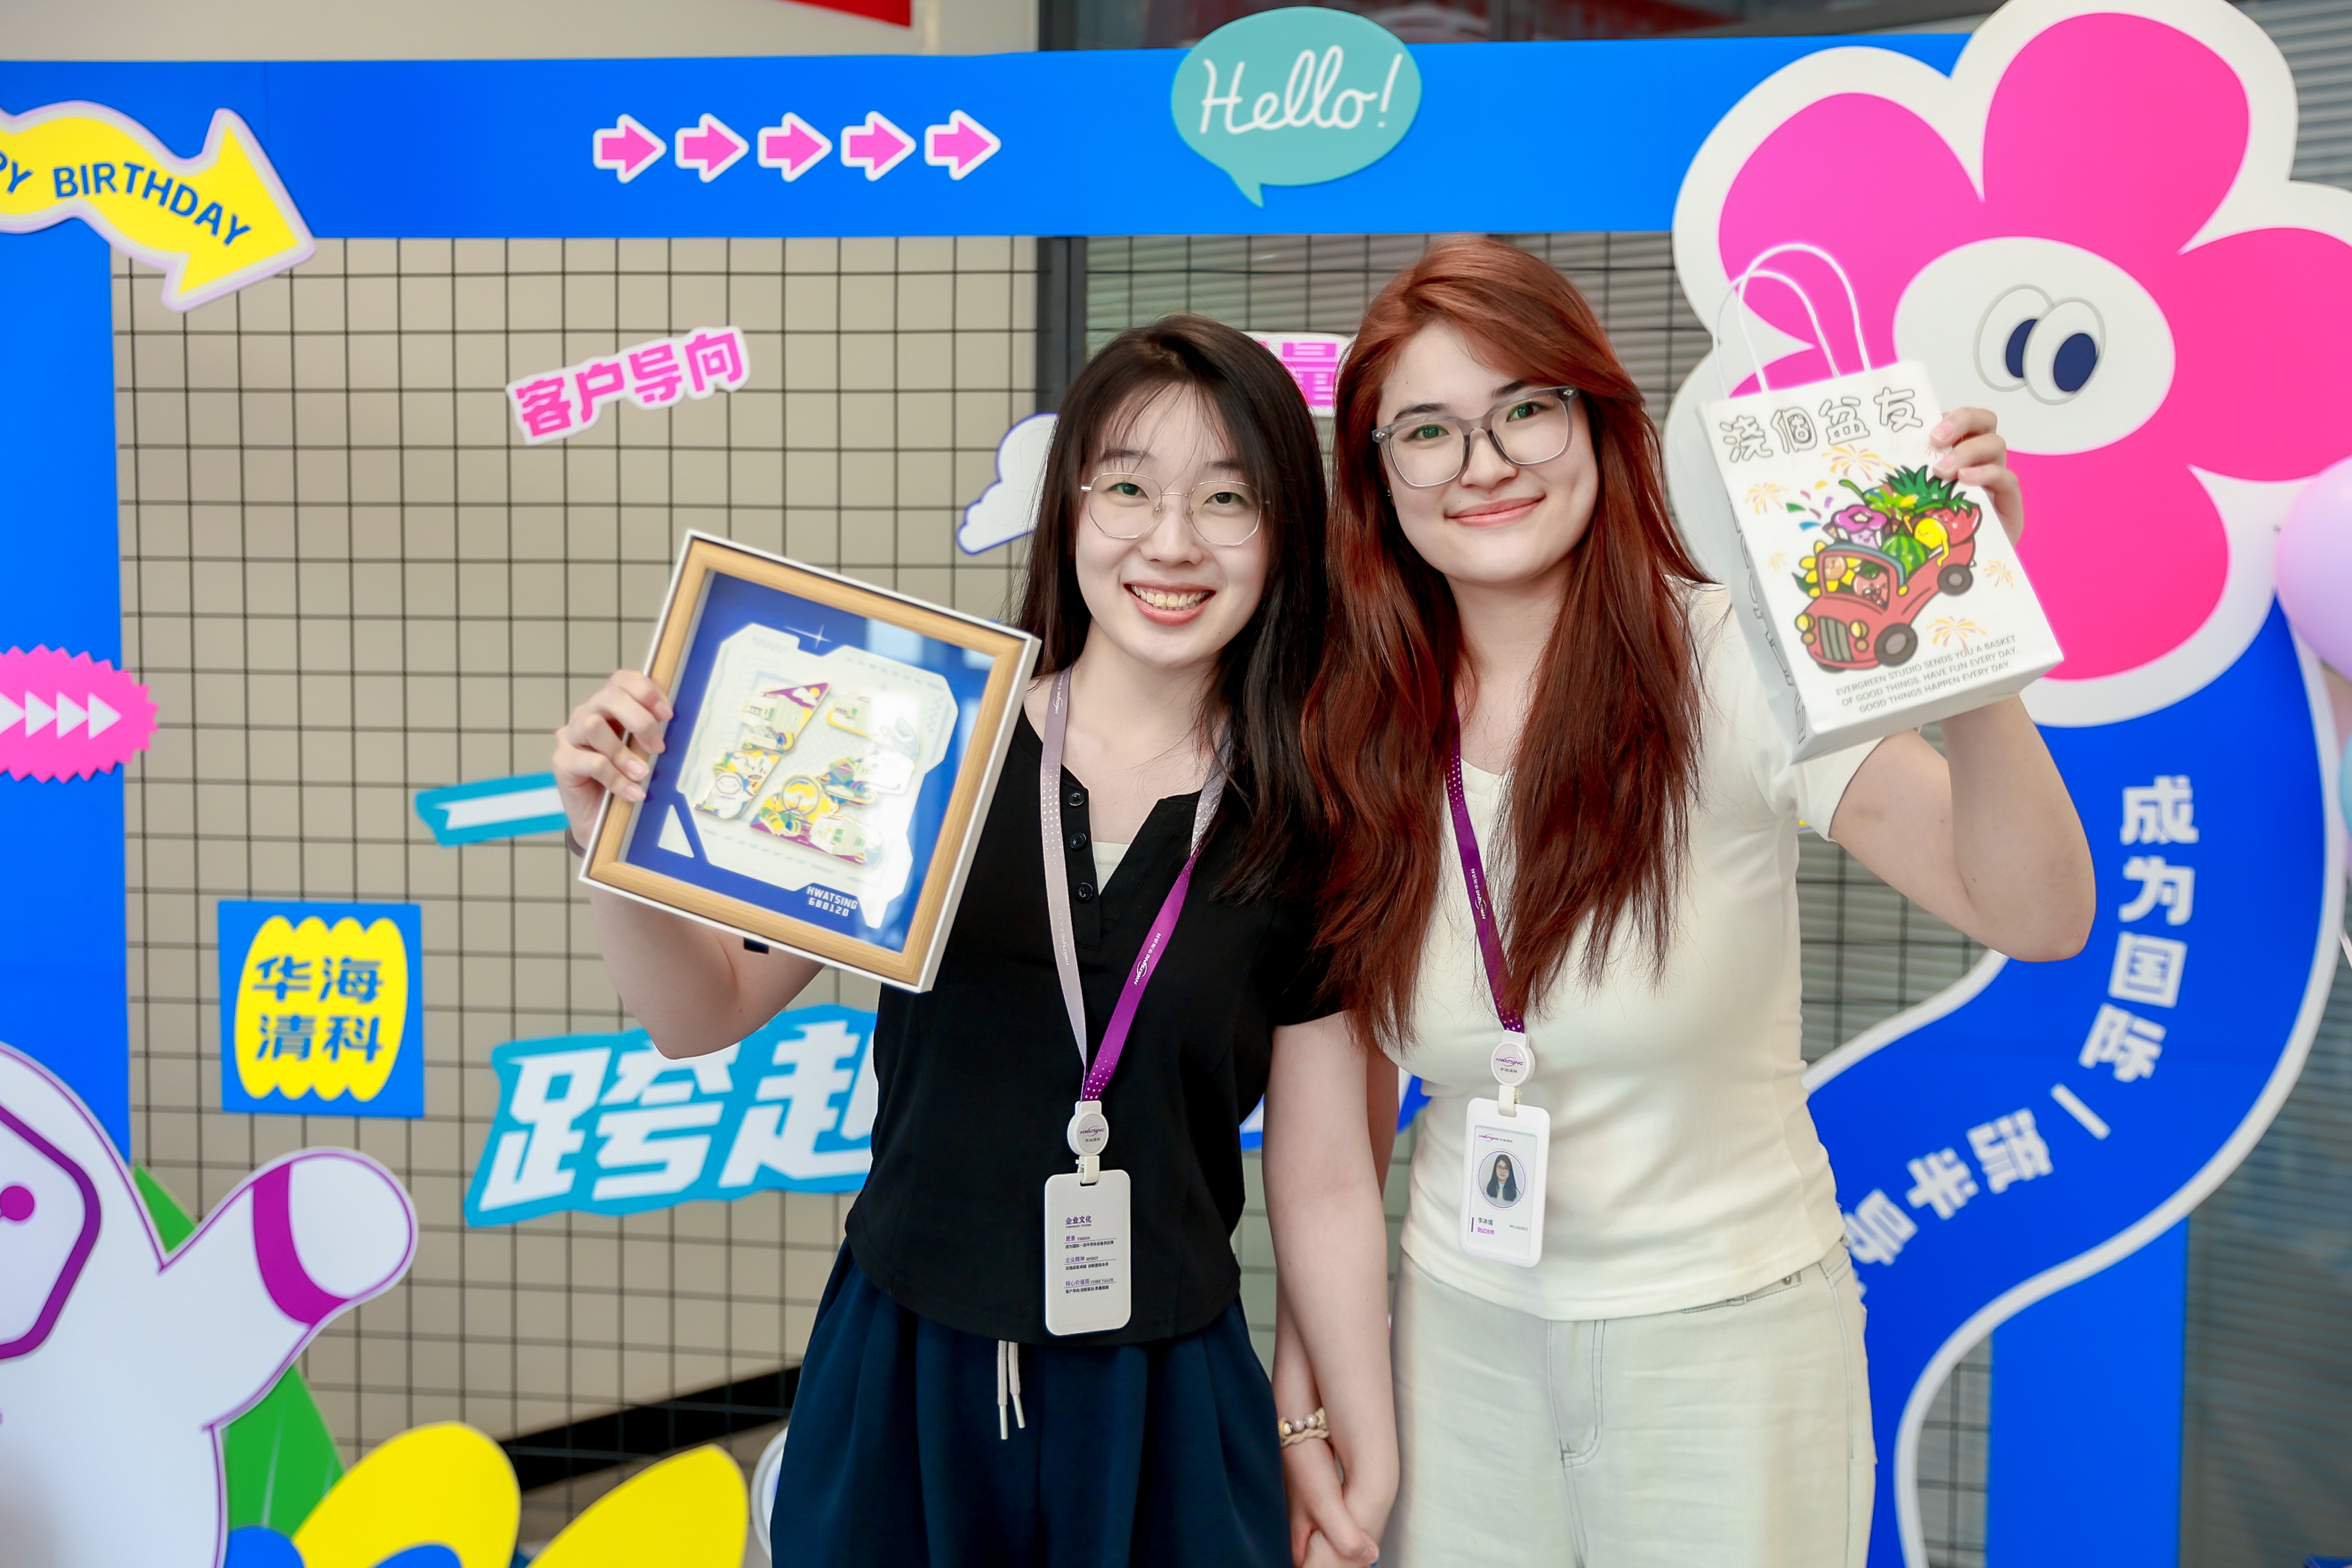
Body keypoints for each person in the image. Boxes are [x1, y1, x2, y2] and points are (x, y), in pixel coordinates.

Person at [1286, 237, 2095, 1564]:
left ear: (1601, 421)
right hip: (1457, 1340)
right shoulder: (1348, 729)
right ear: (1376, 479)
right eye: (1426, 433)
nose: (1483, 464)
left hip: (1730, 1344)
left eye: (1526, 410)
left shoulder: (1735, 663)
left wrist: (1973, 651)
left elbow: (2039, 915)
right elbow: (1335, 1138)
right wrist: (1318, 1394)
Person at [550, 316, 1393, 1568]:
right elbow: (701, 1013)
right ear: (1070, 511)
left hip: (1162, 1397)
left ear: (1284, 533)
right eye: (1128, 488)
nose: (1172, 541)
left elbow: (1322, 1182)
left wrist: (1357, 1441)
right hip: (909, 1374)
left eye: (1228, 498)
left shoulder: (1312, 816)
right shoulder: (925, 740)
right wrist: (609, 841)